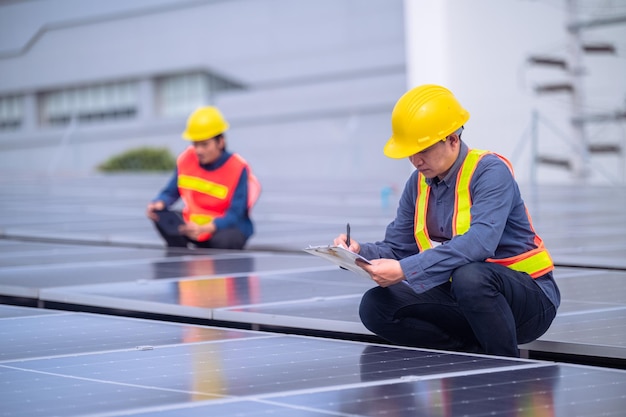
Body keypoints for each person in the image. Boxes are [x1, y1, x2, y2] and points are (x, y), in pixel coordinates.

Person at [334, 84, 560, 358]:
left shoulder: (489, 171)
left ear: (453, 139)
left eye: (424, 150)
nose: (416, 160)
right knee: (376, 306)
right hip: (467, 301)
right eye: (410, 152)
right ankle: (467, 356)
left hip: (528, 301)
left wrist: (405, 270)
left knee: (471, 277)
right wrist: (359, 254)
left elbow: (479, 244)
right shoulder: (418, 185)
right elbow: (397, 249)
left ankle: (503, 367)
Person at [146, 106, 260, 250]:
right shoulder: (186, 160)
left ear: (221, 142)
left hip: (222, 228)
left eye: (205, 145)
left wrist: (209, 227)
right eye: (196, 144)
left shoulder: (237, 168)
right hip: (194, 225)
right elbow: (170, 192)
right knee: (161, 216)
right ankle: (179, 255)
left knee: (226, 240)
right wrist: (159, 203)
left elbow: (236, 213)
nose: (199, 150)